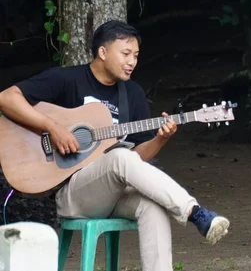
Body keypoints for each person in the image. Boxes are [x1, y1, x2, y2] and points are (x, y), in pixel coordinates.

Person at [0, 20, 230, 271]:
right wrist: (53, 128)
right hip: (73, 193)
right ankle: (195, 212)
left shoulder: (132, 94)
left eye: (136, 55)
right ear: (103, 52)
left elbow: (137, 158)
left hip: (113, 193)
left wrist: (160, 139)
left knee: (154, 204)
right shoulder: (67, 79)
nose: (132, 61)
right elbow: (7, 98)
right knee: (120, 157)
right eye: (126, 54)